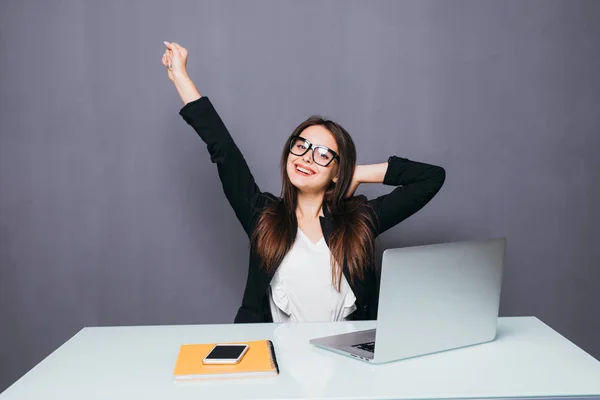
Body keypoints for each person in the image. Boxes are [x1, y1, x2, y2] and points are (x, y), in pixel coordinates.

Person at [161, 41, 446, 323]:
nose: (307, 157)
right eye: (301, 146)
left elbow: (431, 178)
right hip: (277, 358)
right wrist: (181, 76)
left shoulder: (360, 220)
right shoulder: (263, 215)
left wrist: (356, 173)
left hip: (347, 362)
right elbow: (223, 148)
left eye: (323, 154)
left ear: (337, 170)